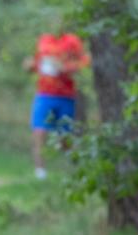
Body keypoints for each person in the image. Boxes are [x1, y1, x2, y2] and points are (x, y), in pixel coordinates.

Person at [23, 30, 91, 180]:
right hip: (44, 95)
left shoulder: (72, 40)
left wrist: (65, 68)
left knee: (64, 138)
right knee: (39, 132)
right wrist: (29, 66)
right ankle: (40, 172)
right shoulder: (43, 39)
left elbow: (85, 61)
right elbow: (37, 63)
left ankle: (74, 170)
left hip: (65, 96)